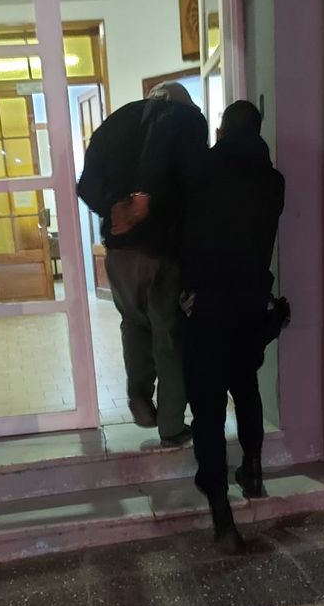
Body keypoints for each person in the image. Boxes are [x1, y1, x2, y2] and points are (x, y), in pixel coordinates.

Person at [180, 100, 287, 553]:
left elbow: (184, 231)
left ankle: (222, 515)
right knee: (246, 387)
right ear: (258, 132)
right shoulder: (274, 182)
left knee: (207, 408)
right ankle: (254, 471)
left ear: (222, 131)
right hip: (251, 303)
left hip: (207, 304)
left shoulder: (200, 172)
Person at [77, 83, 208, 446]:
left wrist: (113, 206)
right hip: (162, 250)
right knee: (169, 337)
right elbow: (196, 187)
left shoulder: (117, 122)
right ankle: (171, 425)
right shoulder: (187, 120)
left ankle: (140, 401)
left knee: (133, 324)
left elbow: (85, 185)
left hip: (118, 252)